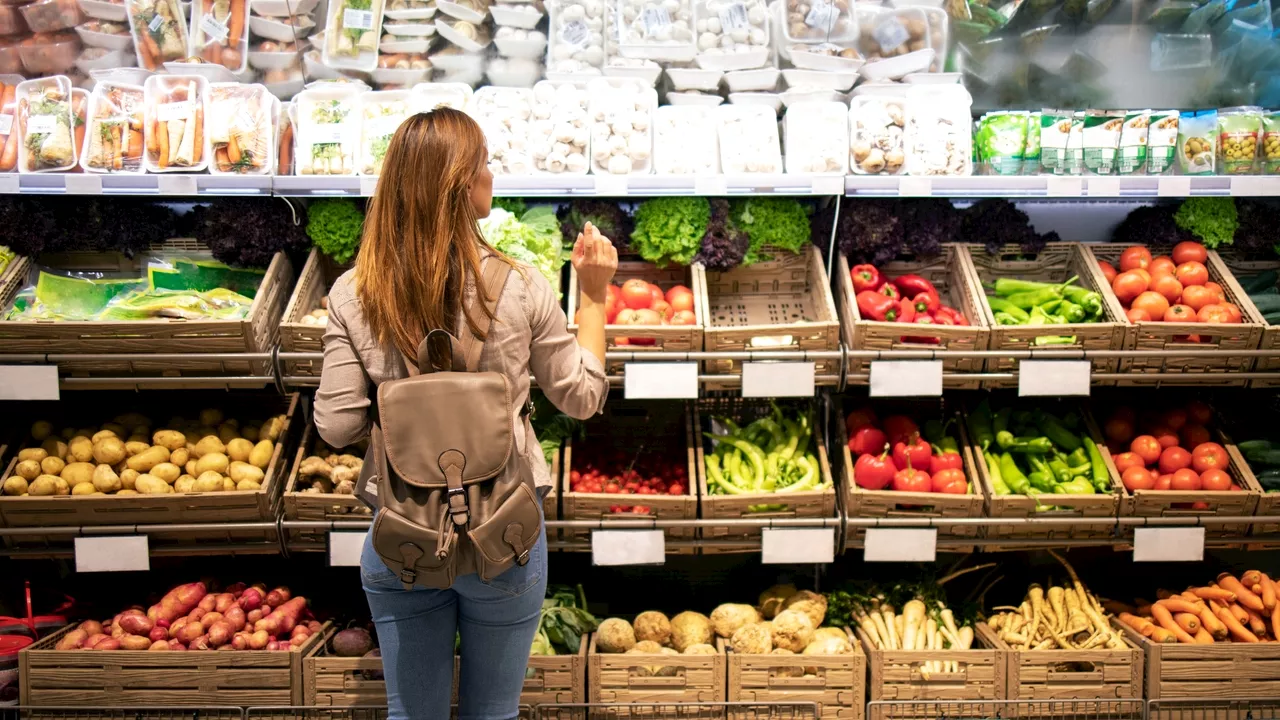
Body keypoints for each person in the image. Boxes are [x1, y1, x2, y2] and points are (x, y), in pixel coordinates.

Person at [313, 107, 617, 720]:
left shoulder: (353, 293)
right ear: (462, 185)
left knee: (412, 713)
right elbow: (581, 397)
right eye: (483, 163)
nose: (491, 173)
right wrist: (592, 295)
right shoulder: (523, 286)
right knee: (493, 712)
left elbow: (337, 425)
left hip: (403, 538)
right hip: (506, 536)